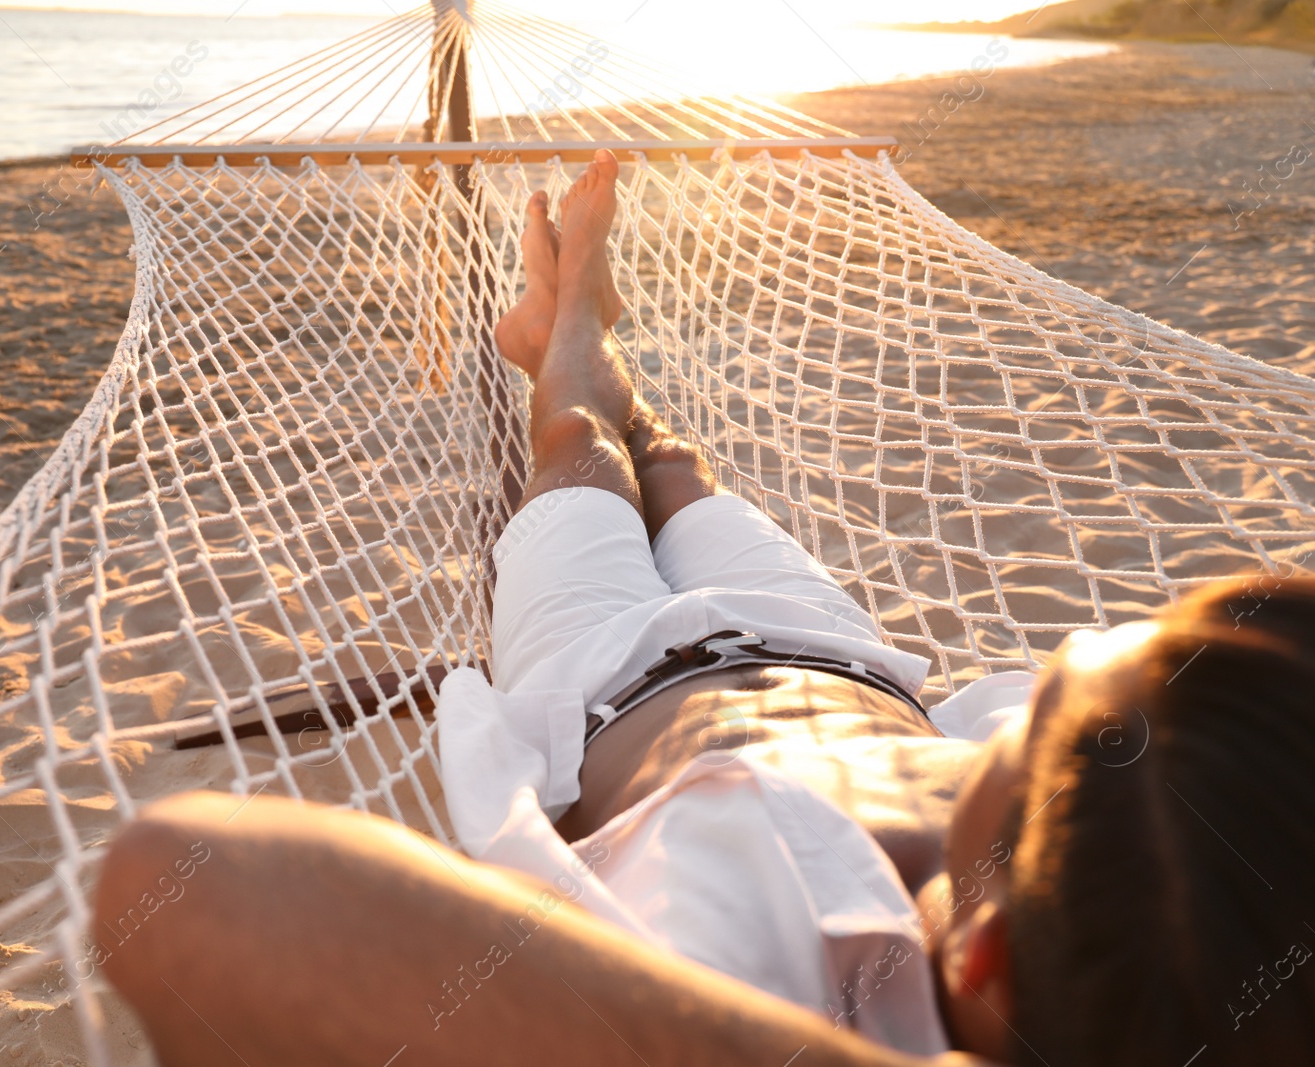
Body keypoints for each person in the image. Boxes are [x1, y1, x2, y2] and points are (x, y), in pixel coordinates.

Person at [92, 151, 1315, 1066]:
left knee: (575, 450)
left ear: (979, 958)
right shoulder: (1140, 844)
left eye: (1047, 701)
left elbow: (196, 879)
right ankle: (594, 343)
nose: (1039, 684)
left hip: (605, 669)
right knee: (677, 472)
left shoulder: (755, 977)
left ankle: (564, 330)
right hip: (833, 646)